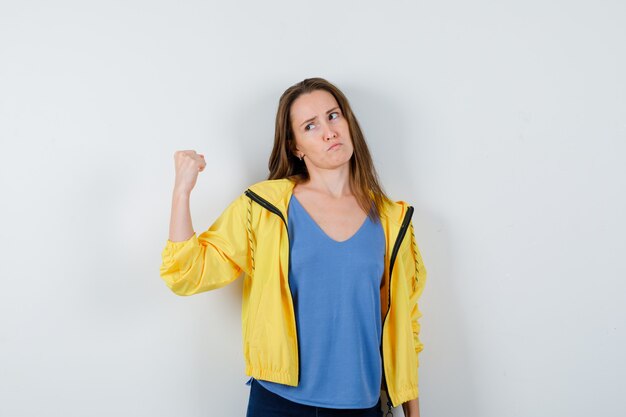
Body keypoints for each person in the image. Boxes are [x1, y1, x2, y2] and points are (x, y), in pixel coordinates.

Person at [159, 77, 427, 417]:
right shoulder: (264, 208)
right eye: (310, 125)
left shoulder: (392, 220)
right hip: (278, 404)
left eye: (333, 116)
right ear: (296, 146)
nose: (329, 131)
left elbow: (406, 328)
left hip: (362, 406)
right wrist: (182, 191)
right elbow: (187, 273)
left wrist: (412, 412)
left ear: (348, 123)